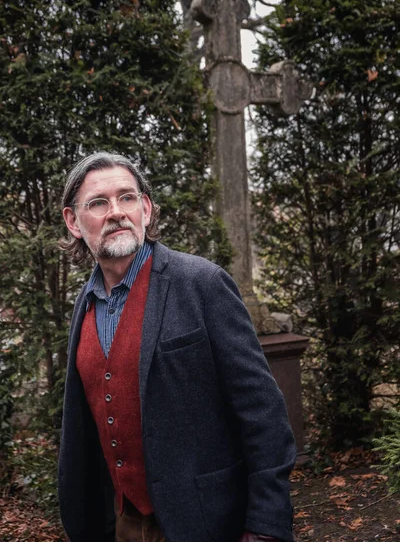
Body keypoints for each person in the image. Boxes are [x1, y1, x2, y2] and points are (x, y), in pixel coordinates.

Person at [58, 151, 296, 542]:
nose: (116, 212)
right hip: (123, 523)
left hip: (209, 521)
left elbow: (263, 413)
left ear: (146, 210)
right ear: (73, 221)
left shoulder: (202, 284)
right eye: (98, 203)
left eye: (127, 197)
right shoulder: (83, 305)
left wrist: (266, 525)